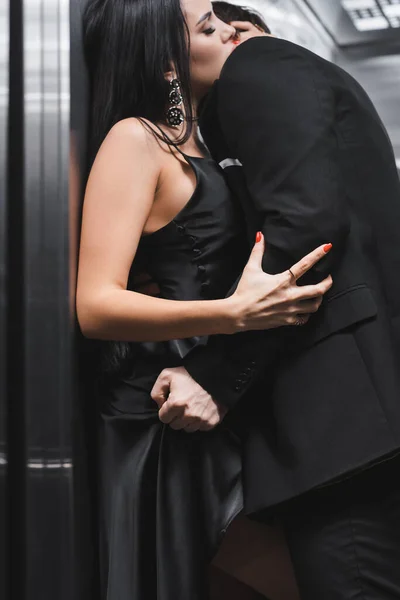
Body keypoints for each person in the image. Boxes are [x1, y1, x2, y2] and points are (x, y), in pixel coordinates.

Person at [77, 1, 332, 598]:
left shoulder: (209, 143)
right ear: (169, 65)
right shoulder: (136, 140)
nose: (227, 32)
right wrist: (231, 314)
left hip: (218, 397)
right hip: (167, 411)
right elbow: (94, 305)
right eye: (207, 26)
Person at [151, 1, 400, 599]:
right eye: (207, 25)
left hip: (340, 418)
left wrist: (214, 375)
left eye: (219, 22)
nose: (228, 32)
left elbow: (304, 230)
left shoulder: (257, 67)